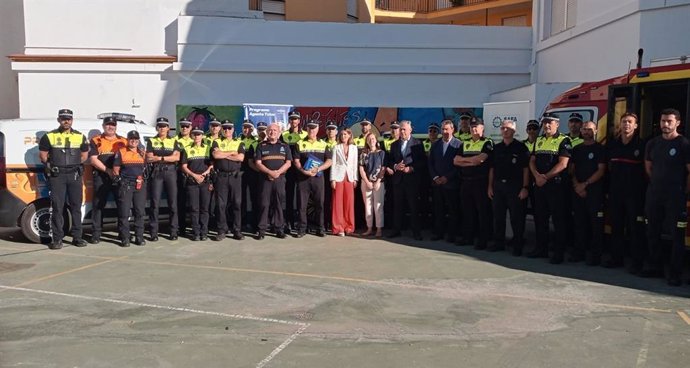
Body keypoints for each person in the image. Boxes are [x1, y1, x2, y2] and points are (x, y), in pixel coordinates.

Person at [643, 108, 690, 286]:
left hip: (675, 196)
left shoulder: (684, 144)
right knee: (652, 231)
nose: (665, 124)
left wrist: (683, 191)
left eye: (669, 121)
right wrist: (656, 183)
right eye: (663, 121)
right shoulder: (653, 143)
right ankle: (655, 266)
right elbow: (648, 167)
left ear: (678, 122)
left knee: (677, 235)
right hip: (654, 194)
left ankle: (675, 272)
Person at [38, 109, 89, 249]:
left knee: (76, 207)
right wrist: (52, 165)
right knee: (57, 208)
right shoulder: (49, 136)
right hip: (57, 176)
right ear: (58, 120)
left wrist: (75, 165)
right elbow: (43, 155)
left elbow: (84, 155)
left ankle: (77, 237)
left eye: (69, 119)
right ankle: (57, 239)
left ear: (72, 120)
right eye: (63, 118)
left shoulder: (80, 136)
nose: (66, 121)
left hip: (74, 175)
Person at [528, 113, 572, 264]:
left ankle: (558, 253)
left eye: (550, 123)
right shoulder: (539, 140)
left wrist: (545, 177)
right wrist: (536, 176)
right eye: (545, 123)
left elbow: (563, 164)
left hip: (556, 186)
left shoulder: (564, 140)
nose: (547, 126)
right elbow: (532, 160)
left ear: (557, 124)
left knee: (559, 220)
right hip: (540, 186)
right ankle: (541, 249)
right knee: (540, 219)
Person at [606, 112, 647, 272]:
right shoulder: (612, 145)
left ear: (636, 125)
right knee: (616, 227)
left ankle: (637, 263)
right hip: (616, 194)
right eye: (624, 122)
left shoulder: (642, 145)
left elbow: (647, 170)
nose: (626, 125)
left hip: (635, 195)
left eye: (630, 122)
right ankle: (617, 259)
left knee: (636, 229)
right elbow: (608, 169)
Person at [488, 120, 529, 255]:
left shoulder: (521, 147)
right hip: (498, 186)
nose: (504, 130)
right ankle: (498, 242)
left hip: (515, 186)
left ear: (513, 131)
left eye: (507, 128)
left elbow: (525, 169)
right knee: (498, 217)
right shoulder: (497, 148)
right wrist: (490, 186)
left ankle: (518, 245)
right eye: (502, 128)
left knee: (516, 217)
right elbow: (492, 169)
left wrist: (525, 187)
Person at [569, 121, 606, 265]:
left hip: (594, 192)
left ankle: (595, 256)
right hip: (577, 191)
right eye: (584, 129)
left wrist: (584, 185)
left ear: (595, 131)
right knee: (579, 224)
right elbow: (571, 169)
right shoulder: (577, 149)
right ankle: (579, 253)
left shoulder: (600, 149)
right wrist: (576, 185)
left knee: (595, 226)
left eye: (589, 129)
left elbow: (601, 170)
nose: (586, 131)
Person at [454, 117, 493, 249]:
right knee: (467, 211)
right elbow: (456, 160)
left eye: (477, 126)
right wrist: (471, 161)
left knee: (482, 212)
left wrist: (466, 161)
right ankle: (467, 237)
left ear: (482, 128)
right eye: (472, 127)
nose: (474, 129)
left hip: (480, 182)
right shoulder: (464, 143)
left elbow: (481, 160)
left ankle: (483, 240)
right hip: (466, 182)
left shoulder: (488, 142)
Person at [88, 116, 126, 244]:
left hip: (119, 177)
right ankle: (96, 234)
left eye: (113, 125)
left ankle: (123, 233)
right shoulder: (96, 140)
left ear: (116, 126)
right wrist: (108, 170)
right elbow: (93, 159)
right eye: (108, 124)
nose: (110, 127)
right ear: (103, 126)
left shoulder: (124, 141)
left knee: (122, 205)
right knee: (98, 206)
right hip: (101, 176)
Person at [387, 120, 425, 240]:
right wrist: (395, 166)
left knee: (413, 206)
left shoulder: (417, 143)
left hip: (411, 180)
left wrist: (412, 168)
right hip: (398, 180)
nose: (402, 131)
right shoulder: (394, 145)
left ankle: (416, 231)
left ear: (410, 130)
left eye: (404, 129)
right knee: (397, 206)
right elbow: (390, 161)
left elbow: (422, 161)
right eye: (401, 129)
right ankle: (396, 229)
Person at [294, 120, 332, 238]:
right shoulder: (299, 143)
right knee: (302, 205)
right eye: (310, 128)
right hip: (303, 178)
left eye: (314, 128)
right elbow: (296, 161)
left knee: (319, 204)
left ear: (317, 129)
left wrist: (319, 169)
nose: (312, 130)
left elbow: (329, 161)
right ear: (307, 129)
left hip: (318, 178)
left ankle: (320, 228)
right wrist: (303, 170)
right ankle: (302, 228)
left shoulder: (323, 144)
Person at [255, 123, 292, 239]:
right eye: (270, 130)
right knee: (264, 204)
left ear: (279, 133)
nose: (272, 132)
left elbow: (288, 163)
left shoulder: (285, 146)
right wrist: (269, 173)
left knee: (279, 204)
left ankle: (279, 228)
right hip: (265, 179)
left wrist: (277, 173)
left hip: (280, 179)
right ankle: (262, 230)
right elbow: (258, 163)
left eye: (275, 130)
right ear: (266, 132)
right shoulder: (261, 146)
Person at [146, 117, 180, 241]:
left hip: (170, 172)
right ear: (157, 128)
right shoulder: (151, 141)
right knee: (155, 203)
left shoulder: (174, 141)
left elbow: (176, 158)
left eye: (164, 126)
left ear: (168, 128)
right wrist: (167, 157)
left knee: (173, 203)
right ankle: (154, 232)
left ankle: (173, 231)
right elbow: (149, 158)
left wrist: (159, 158)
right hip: (157, 172)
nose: (162, 128)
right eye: (160, 126)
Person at [428, 119, 461, 242]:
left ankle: (452, 234)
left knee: (453, 210)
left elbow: (458, 166)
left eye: (447, 129)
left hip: (451, 183)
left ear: (452, 130)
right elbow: (430, 163)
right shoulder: (435, 144)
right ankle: (438, 232)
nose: (445, 132)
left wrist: (447, 177)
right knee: (438, 209)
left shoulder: (459, 144)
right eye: (443, 129)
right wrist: (436, 177)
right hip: (437, 184)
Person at [212, 120, 246, 241]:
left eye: (229, 128)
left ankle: (237, 230)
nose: (226, 130)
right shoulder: (216, 141)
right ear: (221, 129)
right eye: (224, 128)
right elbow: (216, 156)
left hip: (235, 177)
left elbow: (241, 158)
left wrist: (223, 154)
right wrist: (232, 153)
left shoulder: (239, 142)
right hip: (221, 177)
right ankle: (222, 230)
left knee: (237, 204)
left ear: (233, 129)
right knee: (221, 205)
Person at [113, 130, 147, 247]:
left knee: (139, 212)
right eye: (131, 139)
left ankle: (139, 237)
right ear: (128, 140)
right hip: (126, 185)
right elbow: (116, 170)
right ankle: (125, 237)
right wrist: (120, 181)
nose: (134, 141)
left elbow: (146, 168)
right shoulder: (121, 152)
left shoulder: (142, 153)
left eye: (136, 139)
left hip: (140, 184)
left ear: (138, 141)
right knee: (124, 212)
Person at [181, 127, 214, 241]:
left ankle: (204, 232)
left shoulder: (208, 148)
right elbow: (184, 166)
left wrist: (204, 174)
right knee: (194, 208)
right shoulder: (186, 149)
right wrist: (194, 176)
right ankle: (196, 232)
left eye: (199, 134)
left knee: (204, 208)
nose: (196, 136)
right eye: (194, 134)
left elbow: (212, 165)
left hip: (205, 181)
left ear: (202, 136)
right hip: (192, 182)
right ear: (192, 135)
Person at [281, 110, 307, 234]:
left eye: (296, 118)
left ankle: (302, 223)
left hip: (302, 168)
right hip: (289, 170)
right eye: (291, 119)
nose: (293, 121)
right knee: (289, 196)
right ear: (289, 120)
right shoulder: (284, 135)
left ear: (299, 120)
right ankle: (289, 223)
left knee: (302, 197)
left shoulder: (306, 134)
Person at [331, 128, 359, 236]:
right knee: (337, 203)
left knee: (349, 203)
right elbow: (333, 163)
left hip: (350, 177)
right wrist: (332, 179)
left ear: (349, 136)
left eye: (345, 134)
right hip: (338, 177)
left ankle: (349, 227)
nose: (343, 136)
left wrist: (355, 178)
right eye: (342, 134)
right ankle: (339, 228)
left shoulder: (354, 148)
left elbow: (354, 164)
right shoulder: (336, 147)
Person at [359, 132, 386, 237]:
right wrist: (367, 181)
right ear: (366, 141)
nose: (371, 140)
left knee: (378, 206)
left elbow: (383, 168)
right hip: (366, 183)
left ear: (376, 140)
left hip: (379, 183)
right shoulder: (363, 153)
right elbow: (361, 168)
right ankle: (369, 228)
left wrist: (378, 181)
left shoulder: (382, 153)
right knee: (368, 206)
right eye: (369, 139)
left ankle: (379, 229)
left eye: (373, 138)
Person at [174, 118, 194, 236]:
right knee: (179, 203)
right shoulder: (174, 140)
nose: (184, 128)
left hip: (192, 174)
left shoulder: (195, 140)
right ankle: (180, 228)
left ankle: (194, 227)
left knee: (193, 203)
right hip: (178, 174)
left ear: (190, 127)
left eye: (187, 126)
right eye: (182, 126)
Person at [239, 120, 257, 232]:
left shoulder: (256, 141)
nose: (246, 130)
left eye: (249, 128)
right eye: (244, 127)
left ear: (252, 129)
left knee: (254, 198)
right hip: (239, 173)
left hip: (253, 173)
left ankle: (255, 224)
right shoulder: (237, 140)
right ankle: (242, 223)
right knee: (240, 200)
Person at [323, 122, 338, 231]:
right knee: (325, 199)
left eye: (333, 129)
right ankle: (325, 222)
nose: (331, 131)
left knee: (336, 199)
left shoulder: (340, 143)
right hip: (325, 173)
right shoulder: (322, 143)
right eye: (329, 129)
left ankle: (336, 222)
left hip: (338, 174)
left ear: (336, 131)